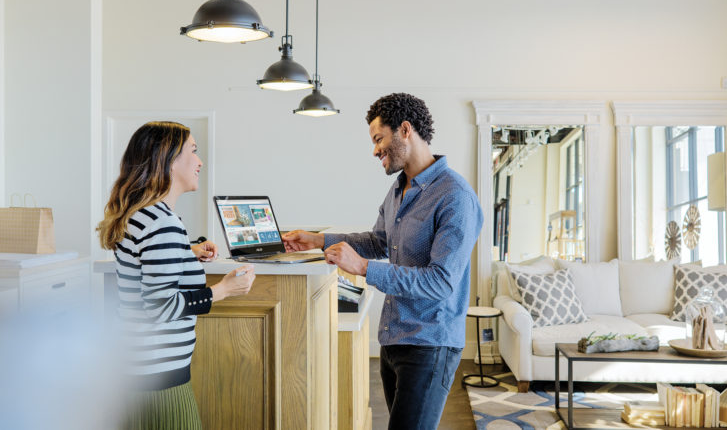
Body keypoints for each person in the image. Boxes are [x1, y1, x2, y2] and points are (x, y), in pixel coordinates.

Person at [283, 93, 483, 429]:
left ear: (405, 130)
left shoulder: (455, 196)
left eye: (379, 139)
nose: (375, 150)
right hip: (393, 341)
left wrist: (363, 268)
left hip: (429, 344)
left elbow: (441, 282)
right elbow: (379, 241)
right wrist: (318, 240)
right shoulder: (398, 189)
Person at [97, 121, 256, 430]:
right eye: (193, 152)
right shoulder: (162, 223)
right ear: (167, 160)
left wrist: (186, 251)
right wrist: (224, 289)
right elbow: (161, 307)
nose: (199, 162)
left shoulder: (142, 215)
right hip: (159, 380)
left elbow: (144, 268)